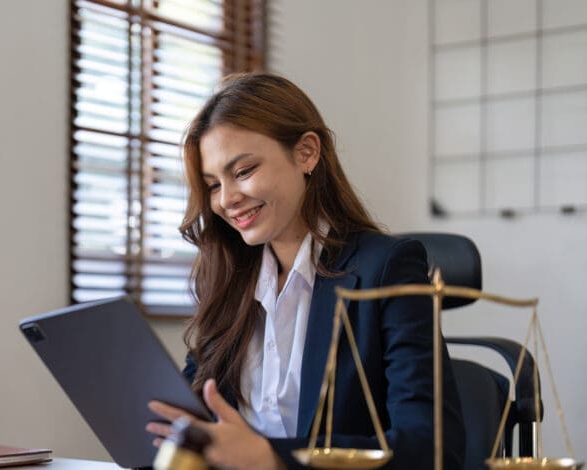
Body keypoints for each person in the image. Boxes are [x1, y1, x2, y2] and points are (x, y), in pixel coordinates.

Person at [145, 73, 466, 470]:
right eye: (213, 185)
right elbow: (200, 420)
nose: (227, 200)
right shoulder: (232, 280)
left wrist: (271, 458)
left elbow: (431, 448)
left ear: (307, 153)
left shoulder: (386, 267)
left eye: (243, 172)